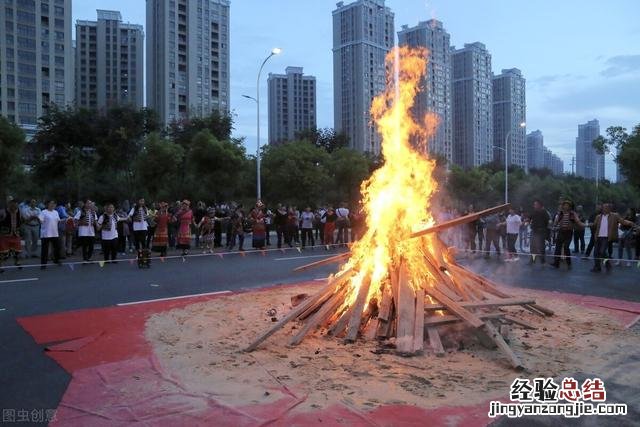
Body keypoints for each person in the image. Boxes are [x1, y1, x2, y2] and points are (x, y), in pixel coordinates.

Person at [590, 203, 637, 273]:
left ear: (609, 209)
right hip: (598, 236)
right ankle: (597, 267)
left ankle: (607, 264)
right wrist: (587, 224)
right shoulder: (598, 216)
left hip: (606, 237)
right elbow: (594, 225)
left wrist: (630, 223)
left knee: (602, 252)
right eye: (603, 207)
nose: (604, 209)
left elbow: (623, 221)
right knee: (596, 253)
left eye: (606, 207)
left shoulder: (615, 215)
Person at [551, 201, 584, 269]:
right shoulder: (561, 213)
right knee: (558, 248)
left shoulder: (573, 214)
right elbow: (556, 222)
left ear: (570, 207)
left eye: (567, 205)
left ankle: (569, 263)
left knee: (566, 247)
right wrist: (553, 226)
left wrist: (585, 225)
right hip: (561, 231)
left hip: (568, 232)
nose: (566, 206)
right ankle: (556, 263)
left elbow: (578, 221)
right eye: (565, 205)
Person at [0, 198, 23, 271]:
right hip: (5, 235)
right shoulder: (3, 212)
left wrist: (32, 218)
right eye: (13, 206)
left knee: (17, 251)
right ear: (10, 205)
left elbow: (23, 220)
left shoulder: (19, 212)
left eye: (16, 206)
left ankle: (17, 262)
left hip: (16, 234)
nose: (15, 207)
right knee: (4, 253)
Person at [38, 200, 61, 269]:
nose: (52, 205)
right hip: (46, 234)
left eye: (54, 204)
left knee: (57, 248)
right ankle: (43, 264)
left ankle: (56, 260)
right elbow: (40, 220)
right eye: (51, 203)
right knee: (45, 250)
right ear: (47, 204)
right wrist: (41, 221)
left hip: (55, 233)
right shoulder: (43, 212)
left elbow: (58, 221)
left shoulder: (56, 212)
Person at [528, 200, 550, 264]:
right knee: (533, 247)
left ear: (539, 205)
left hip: (541, 232)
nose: (534, 206)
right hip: (534, 231)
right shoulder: (533, 212)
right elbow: (529, 218)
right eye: (534, 204)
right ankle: (533, 260)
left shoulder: (544, 212)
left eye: (535, 204)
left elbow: (548, 220)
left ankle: (542, 261)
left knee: (541, 247)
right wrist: (526, 221)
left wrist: (549, 225)